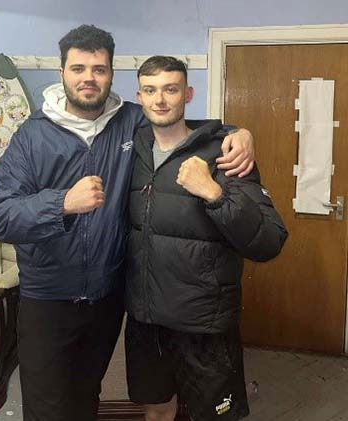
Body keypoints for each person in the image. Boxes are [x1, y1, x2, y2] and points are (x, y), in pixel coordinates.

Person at [0, 25, 255, 421]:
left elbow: (186, 129)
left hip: (106, 298)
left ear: (112, 75)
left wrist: (241, 133)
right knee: (46, 406)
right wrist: (62, 203)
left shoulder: (131, 120)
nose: (88, 78)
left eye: (99, 68)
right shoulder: (32, 136)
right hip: (47, 298)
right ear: (62, 74)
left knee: (85, 395)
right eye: (78, 68)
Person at [124, 56, 288, 421]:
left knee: (215, 417)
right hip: (146, 319)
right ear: (139, 97)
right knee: (157, 409)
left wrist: (214, 193)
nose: (160, 99)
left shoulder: (224, 153)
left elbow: (270, 240)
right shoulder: (131, 150)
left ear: (188, 94)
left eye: (171, 89)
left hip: (204, 324)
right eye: (150, 90)